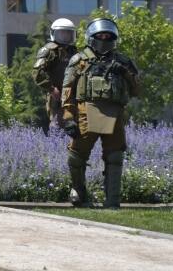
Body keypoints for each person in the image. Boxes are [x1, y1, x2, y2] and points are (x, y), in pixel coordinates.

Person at [62, 18, 141, 208]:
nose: (104, 38)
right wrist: (68, 116)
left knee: (115, 156)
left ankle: (112, 201)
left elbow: (137, 90)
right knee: (76, 155)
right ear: (92, 37)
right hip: (85, 112)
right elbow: (67, 90)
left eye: (108, 36)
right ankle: (79, 194)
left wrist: (124, 73)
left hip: (114, 114)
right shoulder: (79, 60)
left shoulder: (123, 62)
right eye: (100, 35)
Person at [33, 18, 77, 129]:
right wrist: (52, 89)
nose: (65, 36)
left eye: (68, 33)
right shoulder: (49, 51)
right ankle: (55, 146)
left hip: (75, 96)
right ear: (54, 33)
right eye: (62, 33)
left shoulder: (74, 51)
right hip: (57, 96)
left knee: (78, 128)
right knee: (58, 126)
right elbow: (37, 72)